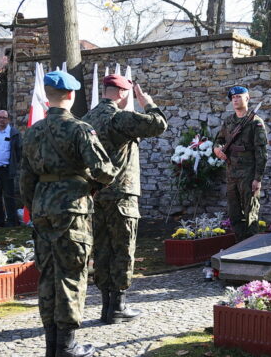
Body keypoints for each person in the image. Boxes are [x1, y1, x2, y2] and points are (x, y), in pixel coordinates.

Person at [20, 71, 117, 357]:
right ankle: (67, 346)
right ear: (71, 96)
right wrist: (91, 187)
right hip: (72, 209)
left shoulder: (33, 131)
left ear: (47, 96)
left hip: (42, 208)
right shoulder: (79, 129)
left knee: (48, 275)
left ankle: (53, 345)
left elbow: (25, 179)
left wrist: (37, 203)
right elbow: (105, 170)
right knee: (71, 274)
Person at [82, 74, 167, 324]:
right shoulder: (120, 118)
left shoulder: (87, 119)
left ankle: (106, 306)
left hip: (96, 195)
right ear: (121, 93)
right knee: (122, 249)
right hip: (121, 193)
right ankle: (117, 306)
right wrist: (147, 102)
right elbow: (159, 124)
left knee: (102, 249)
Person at [213, 86, 268, 242]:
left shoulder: (255, 122)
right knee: (234, 214)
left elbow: (261, 152)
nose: (235, 100)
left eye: (239, 96)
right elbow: (218, 140)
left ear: (247, 98)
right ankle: (239, 247)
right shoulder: (229, 121)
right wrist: (217, 150)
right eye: (233, 98)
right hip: (232, 174)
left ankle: (251, 250)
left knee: (250, 214)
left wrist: (258, 178)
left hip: (248, 175)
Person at [0, 110, 21, 228]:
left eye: (4, 118)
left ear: (8, 120)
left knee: (9, 196)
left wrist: (15, 165)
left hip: (6, 170)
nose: (1, 120)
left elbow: (19, 151)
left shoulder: (13, 133)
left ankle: (12, 222)